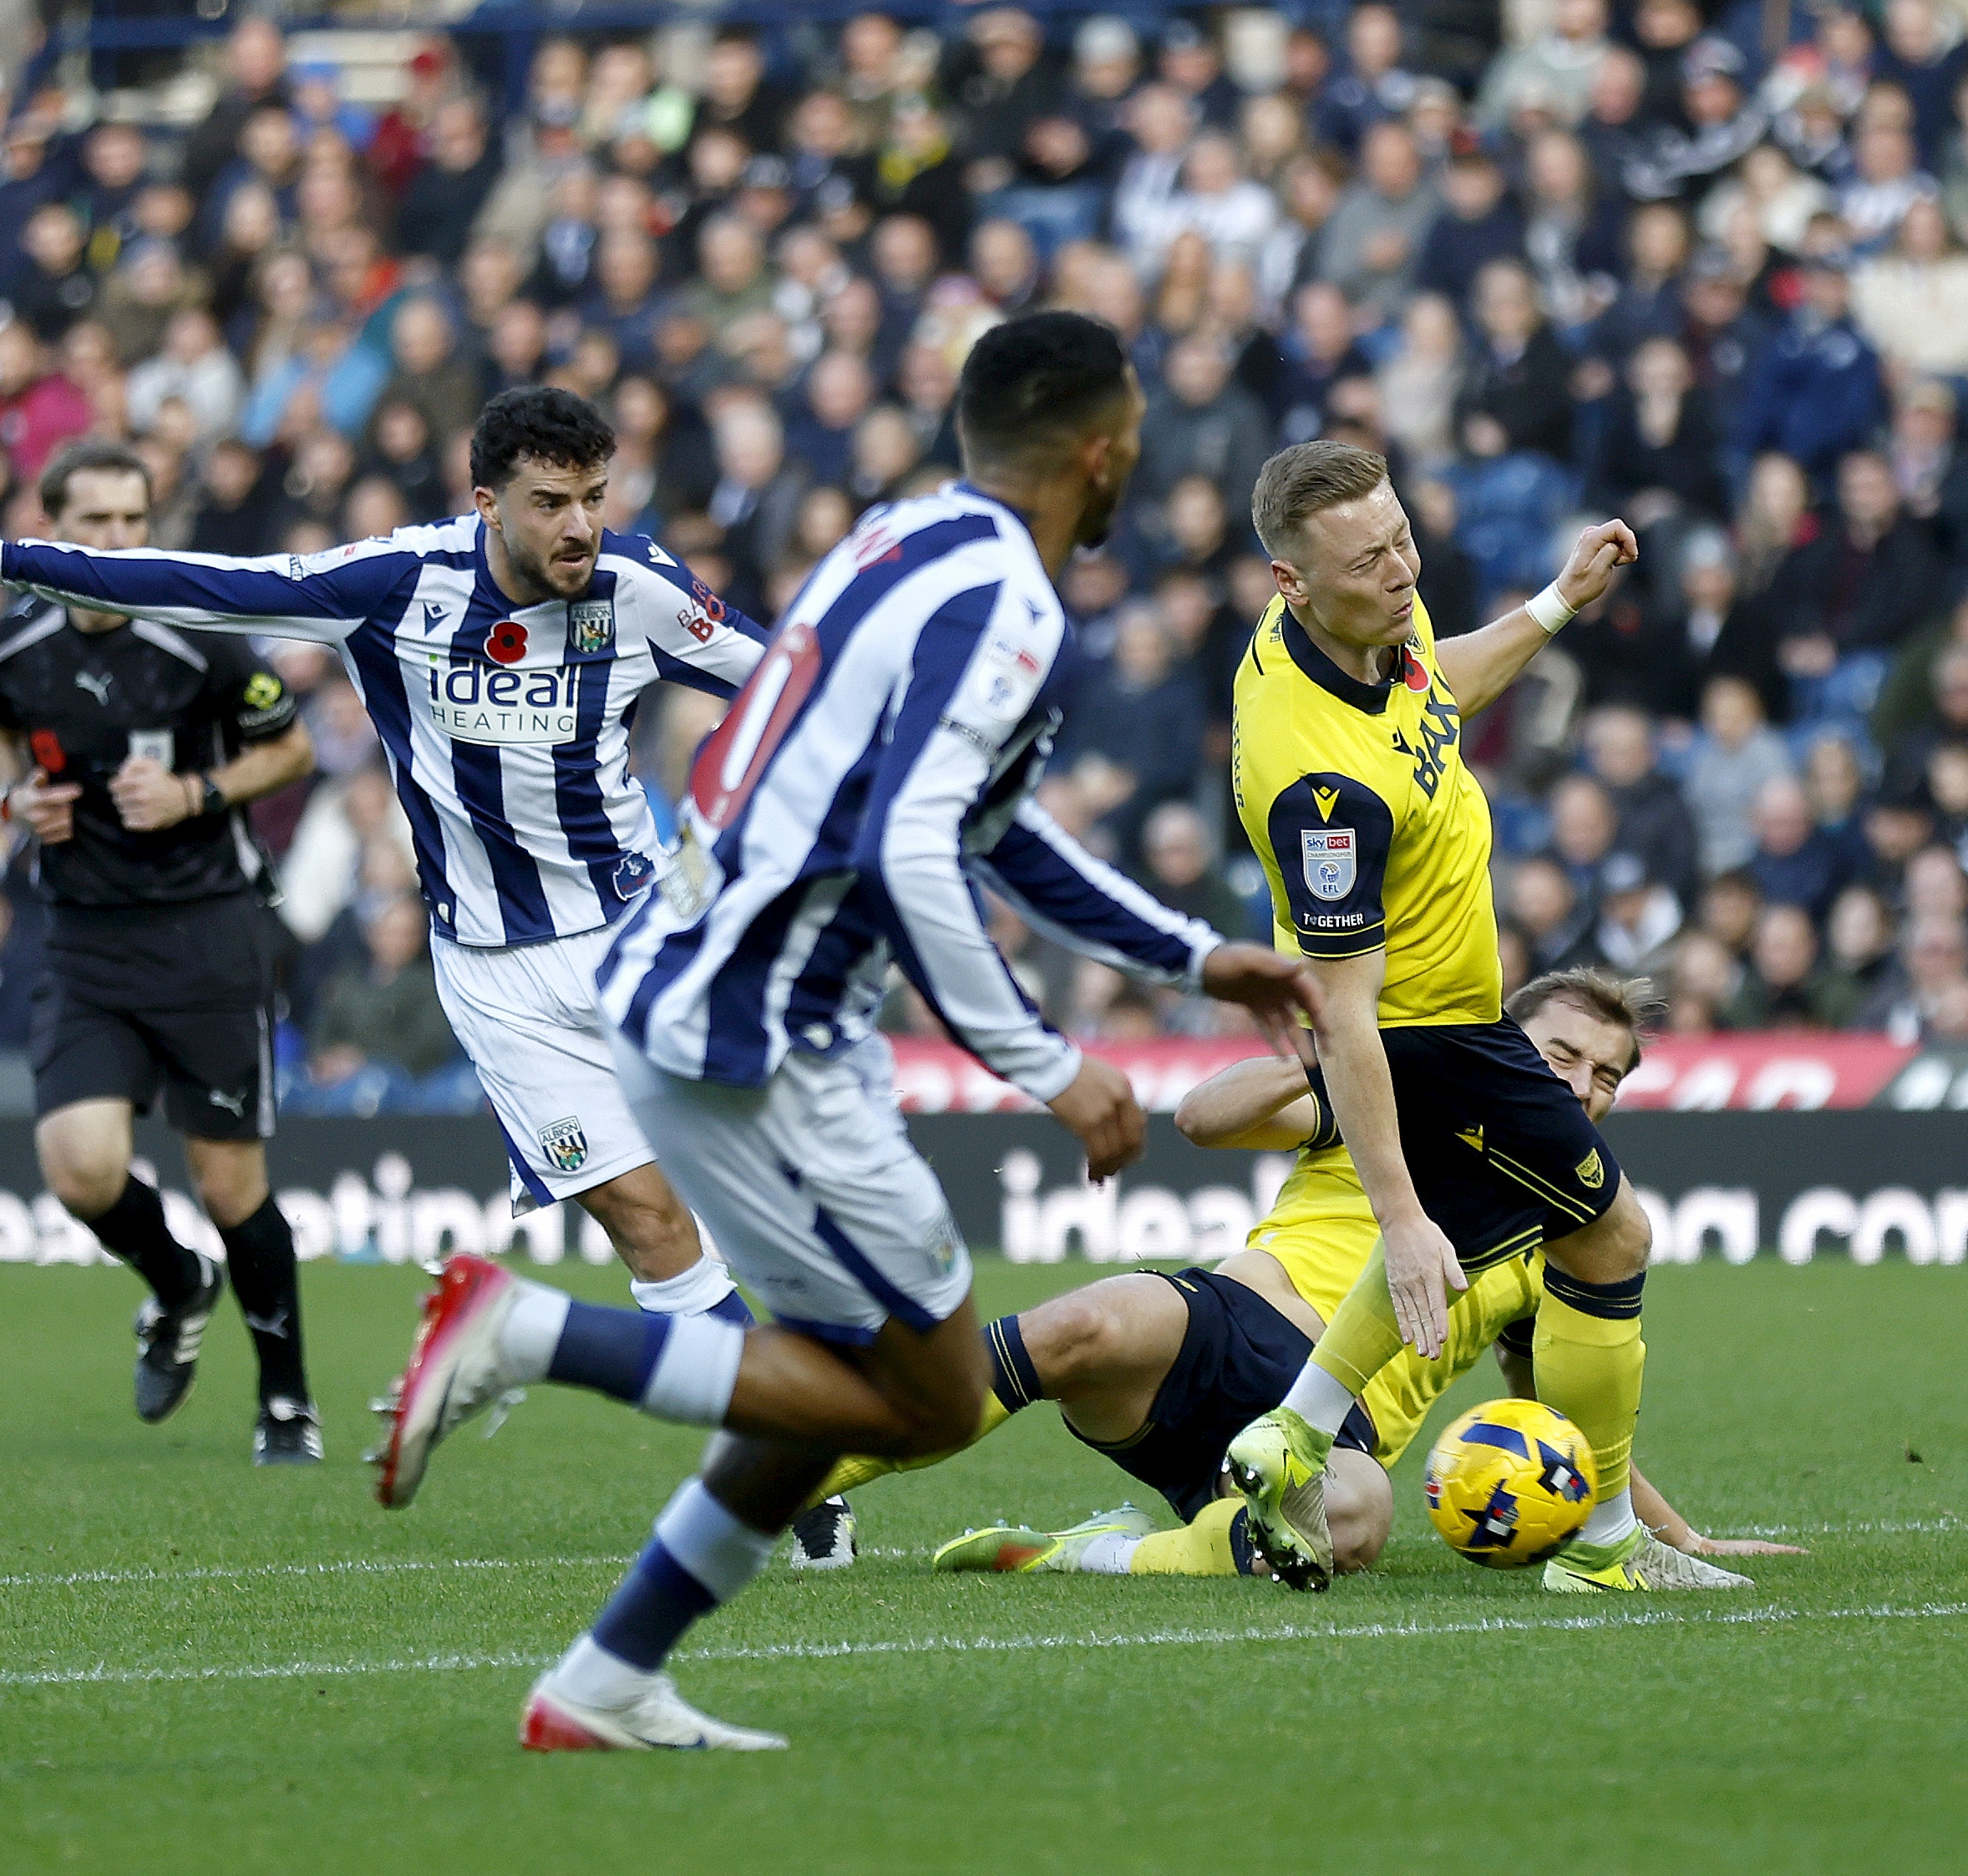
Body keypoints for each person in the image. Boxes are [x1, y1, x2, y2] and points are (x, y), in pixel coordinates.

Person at [371, 314, 1324, 1752]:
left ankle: (605, 1678)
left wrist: (1187, 953)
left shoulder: (901, 536)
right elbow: (912, 848)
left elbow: (984, 828)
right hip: (765, 1032)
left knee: (835, 1392)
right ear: (1101, 448)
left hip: (686, 985)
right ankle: (522, 1331)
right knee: (929, 1399)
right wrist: (1047, 1063)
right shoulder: (1006, 606)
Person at [0, 392, 779, 1403]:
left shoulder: (638, 587)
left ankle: (716, 1385)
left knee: (760, 1195)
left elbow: (791, 683)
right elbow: (213, 583)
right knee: (647, 1224)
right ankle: (805, 1471)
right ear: (488, 502)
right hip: (497, 971)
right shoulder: (398, 585)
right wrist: (16, 559)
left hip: (643, 937)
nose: (581, 526)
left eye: (595, 496)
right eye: (551, 502)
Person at [1216, 438, 1737, 1597]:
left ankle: (1290, 1429)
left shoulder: (1349, 628)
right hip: (1428, 1029)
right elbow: (1344, 1018)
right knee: (1612, 1236)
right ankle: (1603, 1548)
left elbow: (1430, 686)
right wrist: (1393, 1213)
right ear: (1289, 582)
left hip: (1451, 1016)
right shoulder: (1324, 792)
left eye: (1401, 537)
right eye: (1368, 559)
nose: (1401, 571)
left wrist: (1554, 603)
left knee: (1503, 1225)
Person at [813, 973, 1792, 1579]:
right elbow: (1201, 1115)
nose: (1582, 1086)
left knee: (1359, 1522)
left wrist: (1679, 1538)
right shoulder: (1395, 1096)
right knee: (1083, 1326)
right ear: (1503, 1047)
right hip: (1231, 1320)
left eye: (1607, 1074)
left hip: (1332, 1431)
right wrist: (1331, 1053)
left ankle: (1088, 1553)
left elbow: (1573, 1425)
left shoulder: (1572, 1240)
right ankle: (802, 1479)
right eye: (1562, 1055)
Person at [0, 441, 322, 1463]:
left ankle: (286, 1397)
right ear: (52, 528)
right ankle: (176, 1282)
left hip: (209, 933)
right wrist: (14, 801)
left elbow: (293, 748)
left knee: (230, 1183)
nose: (117, 540)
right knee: (79, 1168)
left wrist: (199, 793)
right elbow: (0, 740)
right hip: (86, 938)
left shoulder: (200, 638)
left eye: (133, 521)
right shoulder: (14, 646)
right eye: (97, 522)